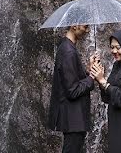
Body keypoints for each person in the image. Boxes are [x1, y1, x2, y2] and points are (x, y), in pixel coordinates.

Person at [48, 24, 97, 153]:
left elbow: (73, 80)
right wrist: (92, 77)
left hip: (73, 119)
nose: (88, 30)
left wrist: (87, 70)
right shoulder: (68, 51)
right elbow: (72, 91)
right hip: (73, 119)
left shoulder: (68, 48)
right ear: (75, 25)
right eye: (85, 27)